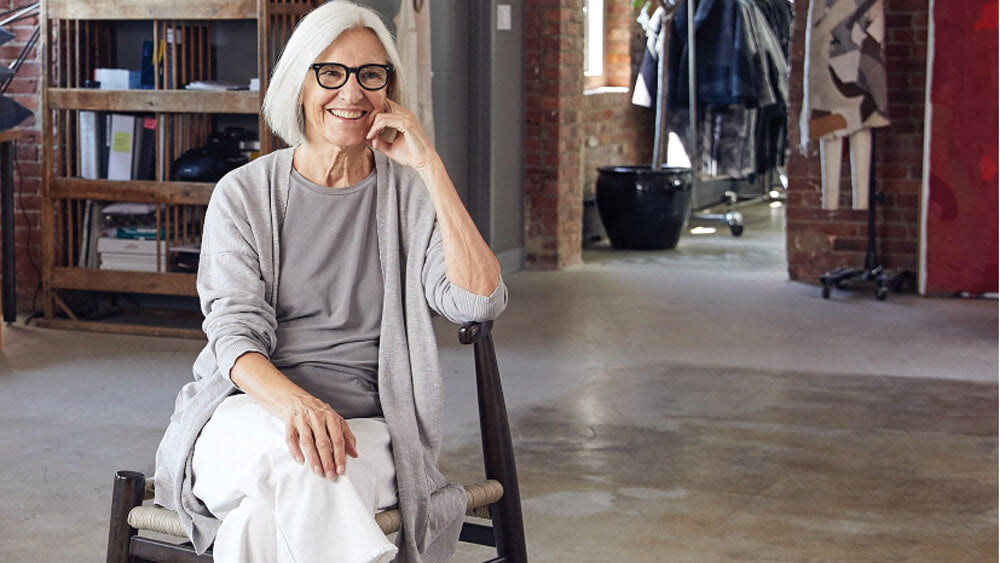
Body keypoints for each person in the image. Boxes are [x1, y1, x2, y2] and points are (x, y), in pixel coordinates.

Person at [152, 2, 508, 561]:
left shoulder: (411, 196)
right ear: (299, 84)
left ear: (389, 89)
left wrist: (431, 167)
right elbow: (233, 335)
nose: (352, 92)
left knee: (267, 518)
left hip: (368, 429)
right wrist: (299, 407)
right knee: (303, 467)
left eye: (371, 74)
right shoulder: (245, 194)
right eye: (330, 72)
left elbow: (477, 300)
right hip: (248, 414)